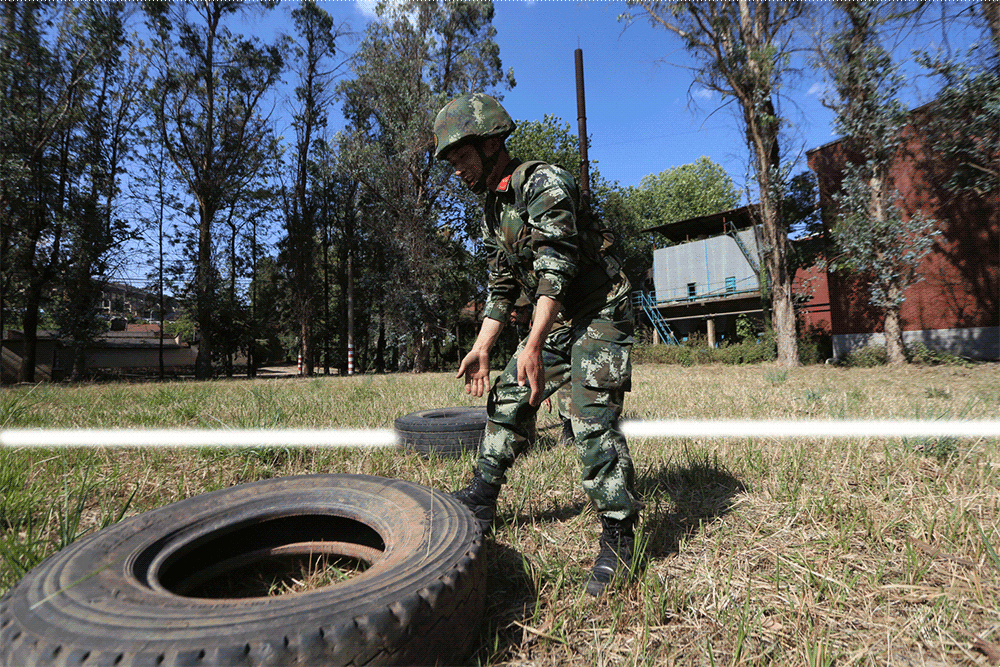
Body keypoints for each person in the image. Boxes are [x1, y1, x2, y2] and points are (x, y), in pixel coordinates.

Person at [432, 93, 642, 596]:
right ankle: (482, 497)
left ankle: (619, 532)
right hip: (561, 317)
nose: (458, 170)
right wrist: (484, 345)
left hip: (600, 310)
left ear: (489, 145)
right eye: (452, 162)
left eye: (462, 158)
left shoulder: (543, 182)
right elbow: (502, 285)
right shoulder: (492, 208)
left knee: (591, 417)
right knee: (508, 395)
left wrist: (532, 342)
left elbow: (557, 269)